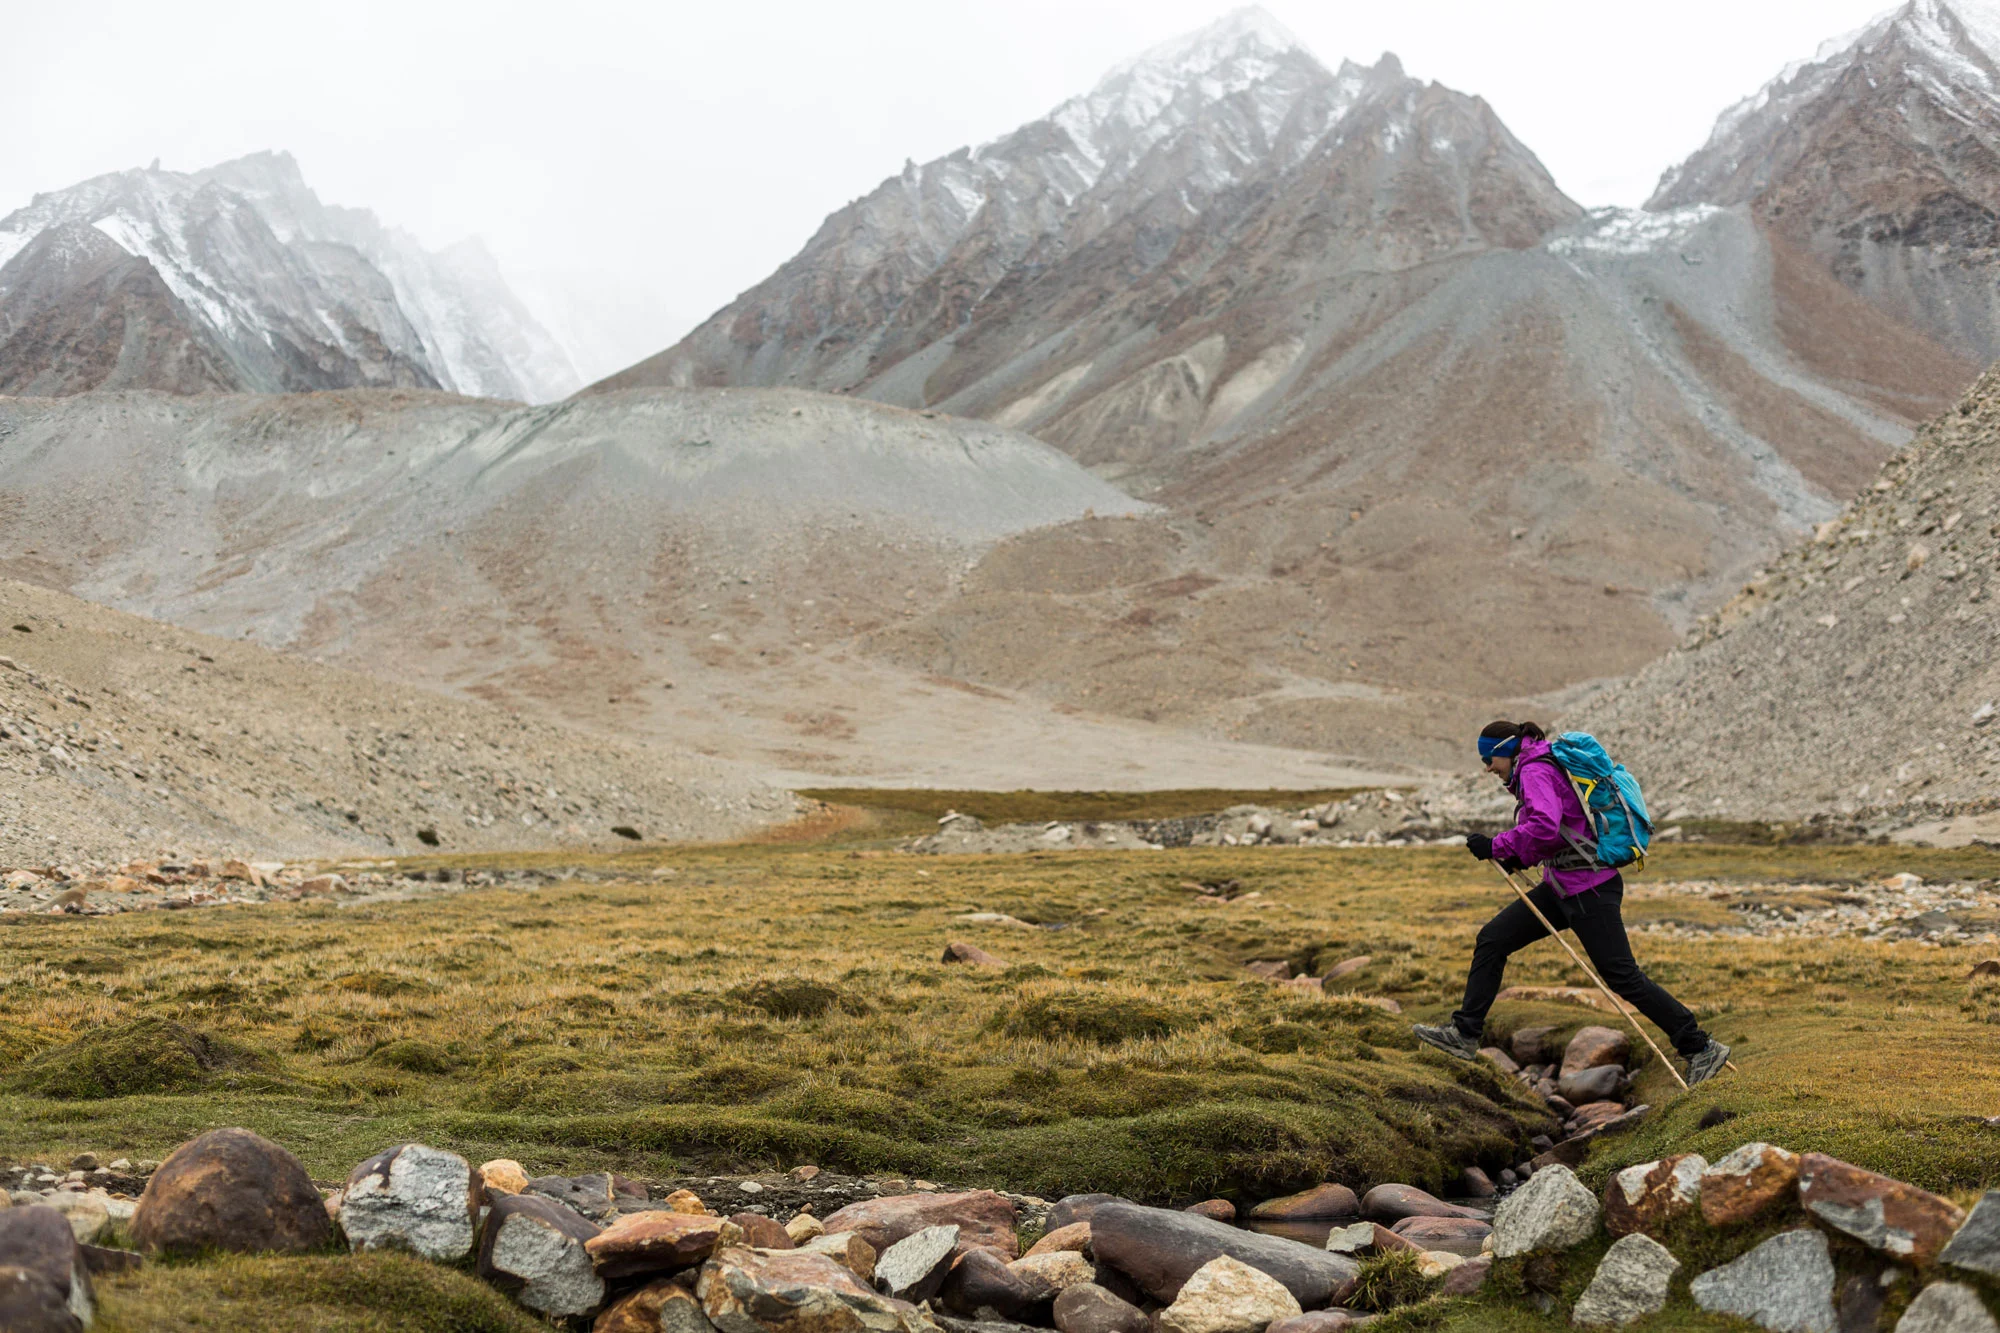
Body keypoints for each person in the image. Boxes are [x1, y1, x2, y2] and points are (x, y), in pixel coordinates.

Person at [1411, 720, 1731, 1088]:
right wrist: (1517, 857)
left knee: (1622, 977)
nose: (1487, 767)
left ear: (1506, 750)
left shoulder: (1533, 769)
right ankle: (1464, 1034)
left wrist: (1496, 846)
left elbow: (1546, 826)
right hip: (1562, 886)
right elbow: (1556, 833)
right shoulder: (1537, 764)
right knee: (1493, 939)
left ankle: (1700, 1047)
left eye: (1489, 758)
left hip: (1588, 889)